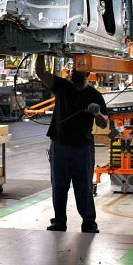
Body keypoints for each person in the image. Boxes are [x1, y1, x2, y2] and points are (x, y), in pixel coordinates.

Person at [35, 55, 108, 233]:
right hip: (60, 145)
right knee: (59, 186)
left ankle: (89, 222)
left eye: (79, 71)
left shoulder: (95, 96)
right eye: (74, 70)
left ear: (88, 73)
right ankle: (59, 221)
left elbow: (104, 123)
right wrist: (41, 52)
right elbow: (41, 73)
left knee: (84, 187)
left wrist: (97, 113)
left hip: (82, 148)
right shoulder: (62, 87)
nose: (75, 73)